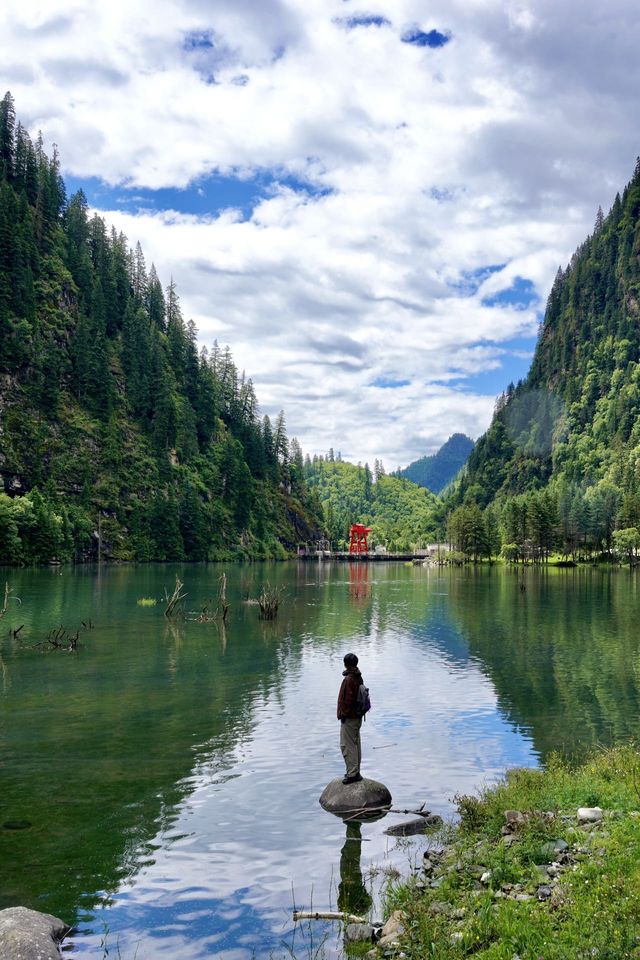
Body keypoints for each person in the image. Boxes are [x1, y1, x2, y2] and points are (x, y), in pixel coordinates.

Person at [337, 652, 364, 784]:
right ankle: (356, 771)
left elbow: (347, 701)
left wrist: (343, 714)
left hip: (350, 718)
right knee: (355, 743)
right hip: (357, 717)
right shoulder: (358, 676)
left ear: (346, 664)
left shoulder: (349, 679)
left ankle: (352, 774)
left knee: (347, 745)